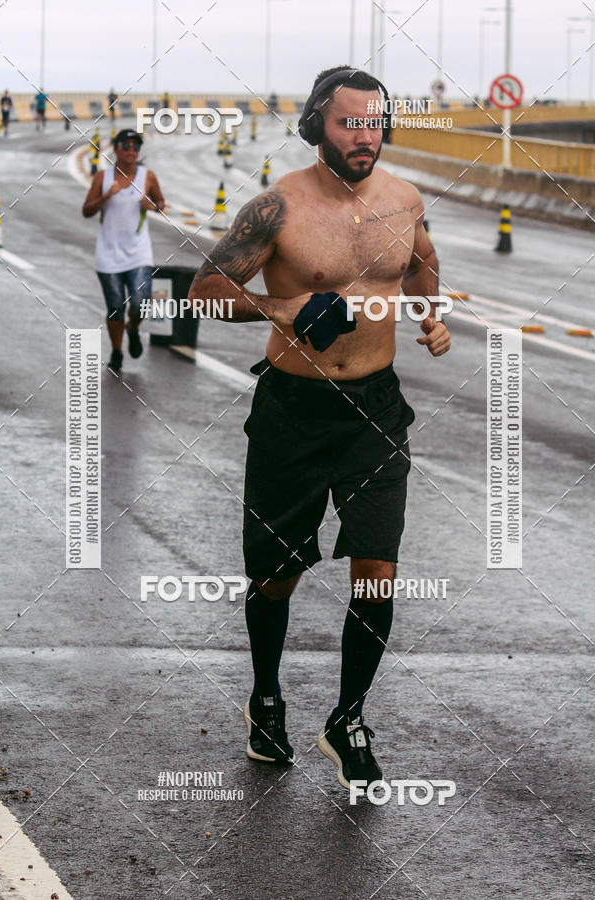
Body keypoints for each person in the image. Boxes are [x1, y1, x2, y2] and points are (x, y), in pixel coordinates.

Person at [188, 66, 451, 791]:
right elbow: (204, 292)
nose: (363, 136)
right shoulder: (277, 209)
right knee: (278, 576)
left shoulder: (404, 200)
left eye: (374, 123)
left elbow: (422, 263)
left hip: (377, 410)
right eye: (348, 123)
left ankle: (348, 716)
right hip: (293, 415)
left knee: (378, 569)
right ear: (317, 125)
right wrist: (287, 308)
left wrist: (431, 316)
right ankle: (266, 697)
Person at [81, 129, 165, 372]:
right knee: (116, 306)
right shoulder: (102, 177)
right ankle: (117, 351)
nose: (131, 150)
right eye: (126, 145)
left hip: (139, 253)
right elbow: (86, 211)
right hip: (108, 255)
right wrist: (107, 195)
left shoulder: (147, 177)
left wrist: (153, 205)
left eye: (135, 146)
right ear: (116, 148)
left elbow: (161, 202)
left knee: (141, 303)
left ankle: (133, 328)